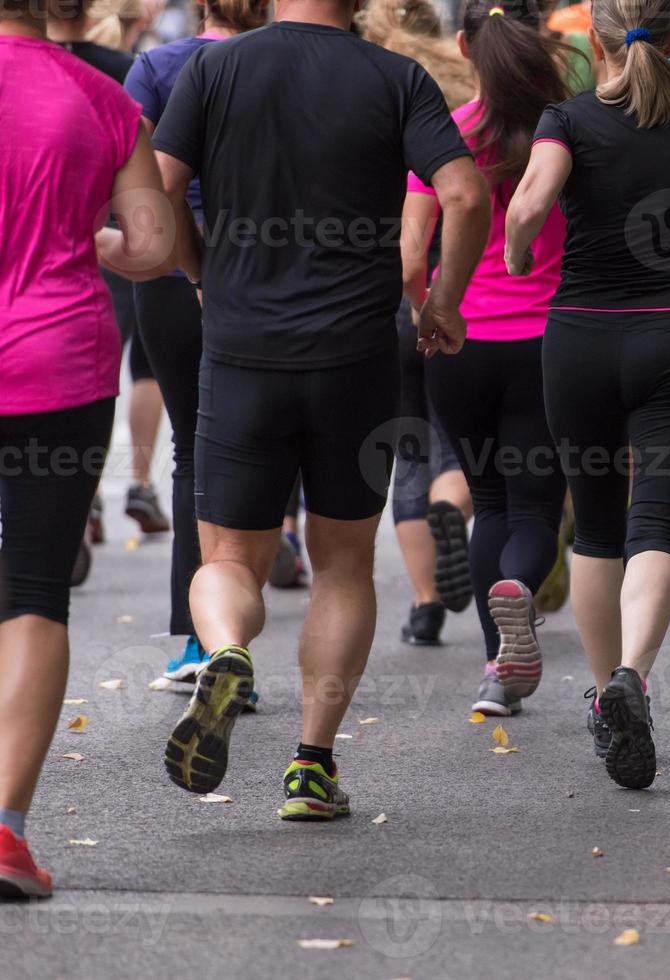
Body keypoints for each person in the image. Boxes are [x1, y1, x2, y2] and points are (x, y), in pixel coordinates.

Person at [151, 0, 491, 820]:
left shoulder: (212, 69)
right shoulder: (396, 76)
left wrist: (204, 274)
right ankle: (310, 767)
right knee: (342, 563)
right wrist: (440, 300)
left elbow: (159, 200)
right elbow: (467, 195)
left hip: (241, 354)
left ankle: (227, 650)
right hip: (356, 357)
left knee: (229, 559)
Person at [506, 0, 670, 788]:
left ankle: (606, 699)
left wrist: (513, 250)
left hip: (577, 342)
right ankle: (631, 680)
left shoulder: (563, 120)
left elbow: (532, 202)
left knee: (597, 528)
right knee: (656, 523)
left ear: (596, 43)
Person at [0, 0, 175, 899]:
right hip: (55, 363)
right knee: (32, 589)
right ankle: (4, 833)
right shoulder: (102, 97)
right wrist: (86, 238)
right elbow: (151, 246)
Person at [403, 0, 576, 715]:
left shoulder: (442, 137)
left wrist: (429, 311)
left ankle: (496, 670)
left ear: (465, 46)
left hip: (460, 344)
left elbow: (410, 253)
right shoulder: (567, 129)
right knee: (537, 507)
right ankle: (517, 601)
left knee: (490, 500)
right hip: (548, 345)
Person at [124, 0, 269, 688]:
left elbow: (144, 183)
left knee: (192, 450)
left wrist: (185, 265)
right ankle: (237, 623)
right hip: (270, 267)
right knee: (261, 444)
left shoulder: (156, 66)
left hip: (174, 277)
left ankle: (197, 641)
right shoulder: (280, 61)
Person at [361, 0, 478, 647]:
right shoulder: (462, 93)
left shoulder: (370, 85)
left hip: (391, 295)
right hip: (466, 293)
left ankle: (424, 604)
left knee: (407, 448)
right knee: (462, 448)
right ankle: (453, 505)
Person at [51, 0, 175, 545]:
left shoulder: (24, 69)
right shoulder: (121, 74)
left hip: (43, 244)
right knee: (141, 360)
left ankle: (78, 503)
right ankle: (140, 481)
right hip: (116, 231)